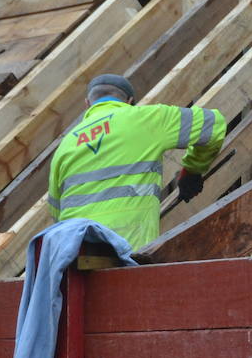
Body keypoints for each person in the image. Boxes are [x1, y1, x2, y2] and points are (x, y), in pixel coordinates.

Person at [47, 73, 225, 248]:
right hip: (129, 247)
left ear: (87, 104)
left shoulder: (66, 145)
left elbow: (56, 211)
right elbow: (214, 125)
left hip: (73, 251)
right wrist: (192, 169)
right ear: (130, 101)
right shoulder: (147, 118)